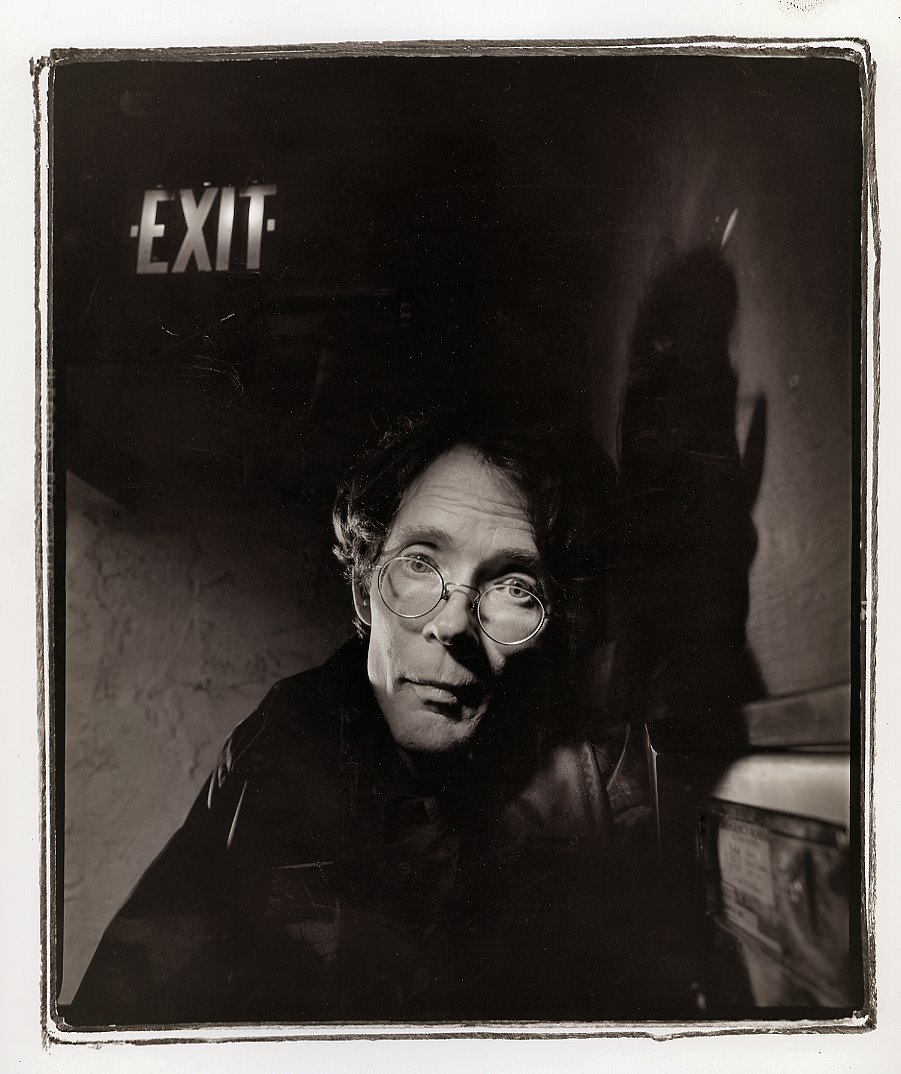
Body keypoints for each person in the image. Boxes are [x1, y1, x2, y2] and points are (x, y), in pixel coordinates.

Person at [66, 409, 656, 1026]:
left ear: (555, 625)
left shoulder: (614, 783)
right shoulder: (281, 740)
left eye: (514, 587)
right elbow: (130, 1000)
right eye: (420, 563)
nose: (452, 624)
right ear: (363, 590)